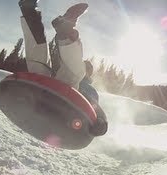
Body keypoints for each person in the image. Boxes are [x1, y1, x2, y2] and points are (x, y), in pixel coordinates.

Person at [18, 0, 107, 136]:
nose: (84, 69)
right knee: (41, 67)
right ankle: (35, 15)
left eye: (86, 68)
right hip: (51, 93)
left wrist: (102, 122)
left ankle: (32, 14)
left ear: (90, 74)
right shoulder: (72, 71)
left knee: (43, 67)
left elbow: (94, 107)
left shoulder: (89, 88)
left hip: (70, 109)